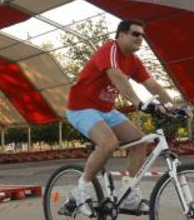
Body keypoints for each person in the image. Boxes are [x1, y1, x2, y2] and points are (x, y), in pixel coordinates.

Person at [62, 19, 187, 217]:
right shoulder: (109, 50)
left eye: (143, 35)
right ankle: (80, 190)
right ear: (120, 35)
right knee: (109, 143)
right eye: (135, 34)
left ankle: (128, 195)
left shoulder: (135, 61)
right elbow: (116, 76)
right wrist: (139, 103)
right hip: (81, 108)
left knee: (139, 142)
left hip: (105, 110)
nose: (140, 39)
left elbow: (153, 85)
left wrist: (175, 108)